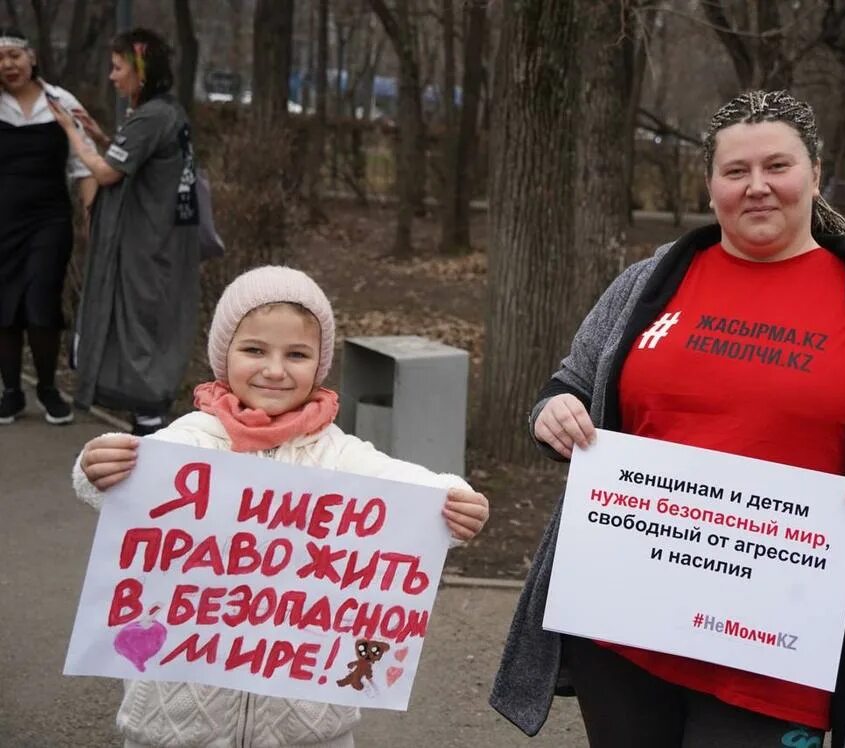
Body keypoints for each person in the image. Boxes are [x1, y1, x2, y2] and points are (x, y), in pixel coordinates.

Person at [490, 90, 845, 748]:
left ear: (815, 173)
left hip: (779, 646)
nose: (758, 187)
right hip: (627, 625)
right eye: (736, 171)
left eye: (778, 166)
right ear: (710, 182)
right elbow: (569, 382)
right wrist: (554, 412)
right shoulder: (650, 281)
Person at [73, 265, 491, 747]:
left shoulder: (339, 454)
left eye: (296, 354)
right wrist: (96, 465)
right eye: (254, 350)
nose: (274, 369)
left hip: (309, 728)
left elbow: (412, 489)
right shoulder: (185, 444)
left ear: (320, 364)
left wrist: (457, 503)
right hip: (177, 722)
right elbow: (113, 482)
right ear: (222, 355)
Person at [49, 27, 200, 435]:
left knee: (139, 329)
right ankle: (146, 417)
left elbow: (106, 171)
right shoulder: (168, 111)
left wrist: (73, 133)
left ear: (140, 71)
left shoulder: (151, 117)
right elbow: (139, 156)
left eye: (117, 68)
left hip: (145, 246)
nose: (112, 77)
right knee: (147, 326)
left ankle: (148, 424)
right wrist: (101, 136)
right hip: (164, 241)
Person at [0, 28, 97, 425]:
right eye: (1, 58)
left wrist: (91, 212)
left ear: (33, 57)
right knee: (4, 306)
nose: (8, 65)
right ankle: (10, 392)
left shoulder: (61, 102)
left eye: (15, 56)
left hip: (49, 220)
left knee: (41, 300)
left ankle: (47, 389)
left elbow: (84, 163)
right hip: (2, 222)